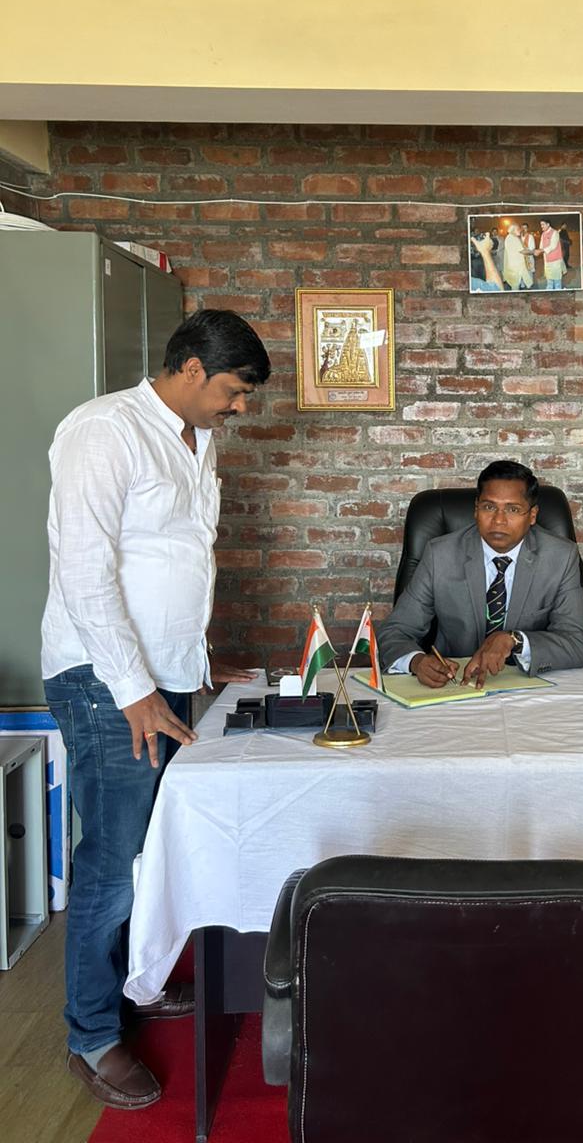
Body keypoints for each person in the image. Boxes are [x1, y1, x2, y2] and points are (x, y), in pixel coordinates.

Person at [41, 309, 271, 1109]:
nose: (240, 407)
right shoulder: (104, 430)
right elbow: (85, 570)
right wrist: (134, 688)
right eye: (235, 390)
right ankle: (92, 1033)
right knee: (112, 858)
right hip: (106, 683)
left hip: (162, 677)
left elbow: (172, 562)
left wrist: (196, 663)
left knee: (153, 846)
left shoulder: (196, 439)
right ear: (193, 368)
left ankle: (137, 980)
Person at [378, 461, 583, 686]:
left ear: (532, 515)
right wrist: (416, 661)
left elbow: (577, 644)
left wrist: (514, 640)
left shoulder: (560, 557)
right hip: (455, 685)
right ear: (476, 509)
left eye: (513, 509)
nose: (499, 520)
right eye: (489, 507)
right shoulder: (440, 555)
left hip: (527, 687)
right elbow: (394, 632)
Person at [535, 218, 566, 290]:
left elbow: (553, 246)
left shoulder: (555, 233)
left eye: (543, 224)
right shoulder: (543, 234)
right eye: (541, 225)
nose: (541, 226)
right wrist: (538, 251)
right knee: (549, 281)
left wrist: (541, 250)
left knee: (557, 282)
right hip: (547, 261)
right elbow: (541, 246)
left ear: (548, 224)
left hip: (555, 261)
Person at [501, 221, 527, 291]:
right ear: (513, 230)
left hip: (512, 266)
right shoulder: (513, 238)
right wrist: (533, 252)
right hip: (515, 267)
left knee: (515, 285)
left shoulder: (509, 237)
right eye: (518, 229)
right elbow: (522, 251)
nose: (520, 230)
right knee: (515, 286)